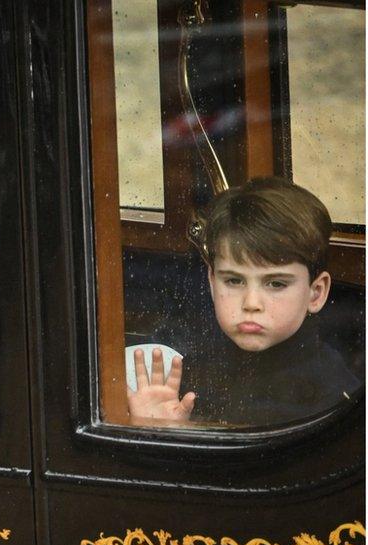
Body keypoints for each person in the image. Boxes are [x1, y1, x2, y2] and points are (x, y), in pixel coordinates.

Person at [127, 178, 362, 425]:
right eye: (234, 281)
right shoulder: (197, 369)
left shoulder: (336, 400)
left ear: (316, 293)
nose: (251, 303)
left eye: (276, 284)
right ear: (212, 281)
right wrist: (160, 425)